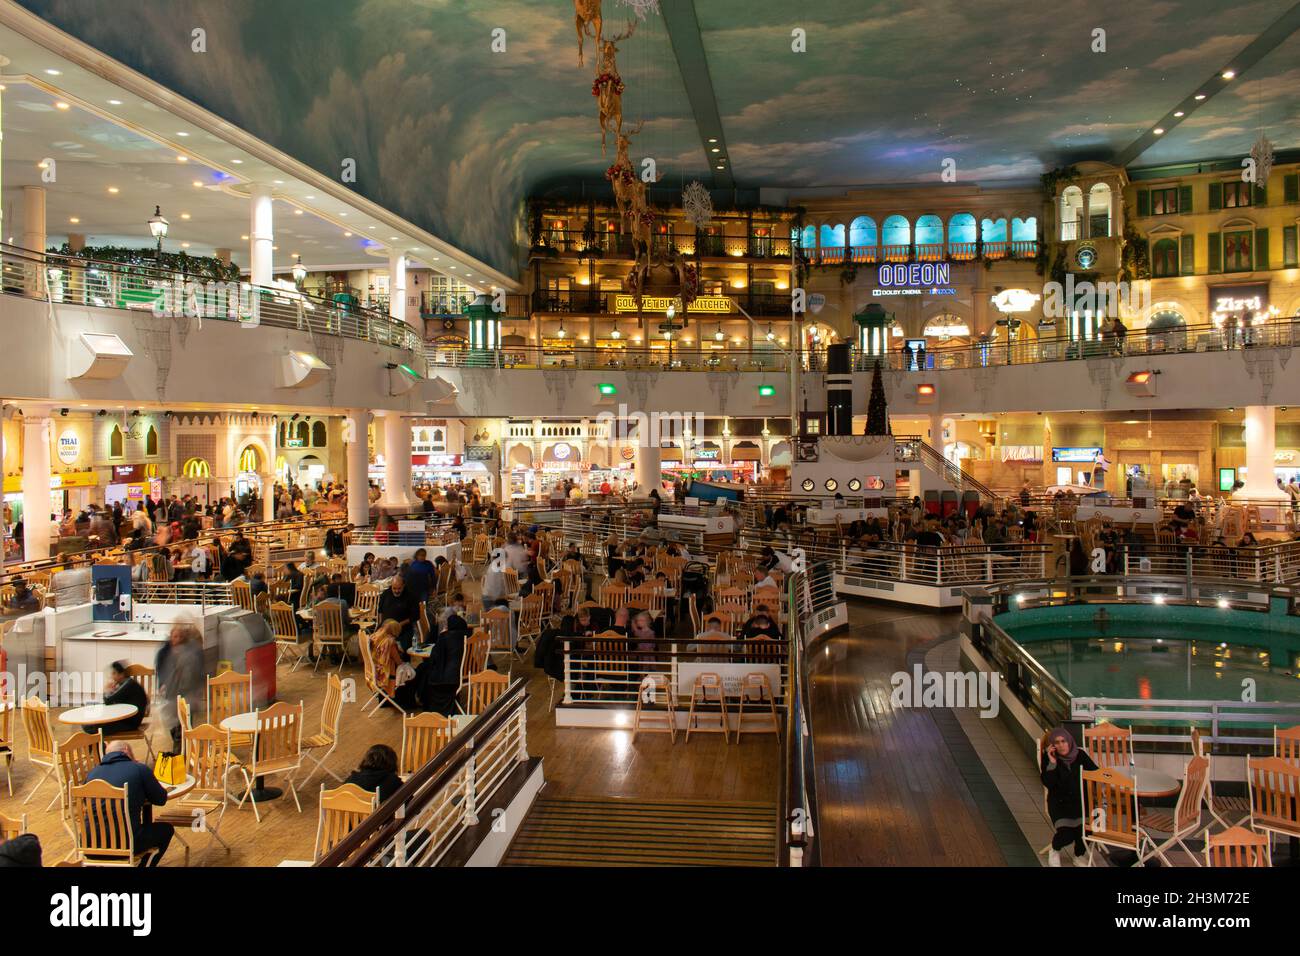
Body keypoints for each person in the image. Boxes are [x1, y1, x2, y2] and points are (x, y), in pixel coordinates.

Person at [85, 741, 174, 865]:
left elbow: (86, 803)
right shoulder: (139, 769)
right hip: (126, 843)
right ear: (126, 750)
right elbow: (160, 799)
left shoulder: (91, 775)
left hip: (90, 844)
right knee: (166, 830)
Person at [1039, 727, 1097, 866]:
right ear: (1052, 746)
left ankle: (1078, 855)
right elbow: (1048, 783)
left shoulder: (1080, 755)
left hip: (1081, 802)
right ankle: (1055, 849)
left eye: (1063, 741)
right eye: (1057, 742)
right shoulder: (1050, 759)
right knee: (1067, 834)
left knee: (1087, 832)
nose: (1061, 745)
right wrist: (1052, 762)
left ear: (1069, 741)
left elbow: (1095, 773)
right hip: (1060, 804)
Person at [155, 624, 205, 750]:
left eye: (180, 636)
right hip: (172, 693)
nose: (177, 639)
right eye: (175, 636)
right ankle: (181, 749)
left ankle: (181, 752)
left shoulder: (189, 653)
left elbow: (193, 674)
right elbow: (161, 670)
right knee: (174, 723)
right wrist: (162, 685)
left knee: (183, 723)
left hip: (186, 694)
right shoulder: (165, 651)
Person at [83, 661, 148, 735]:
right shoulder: (126, 683)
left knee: (88, 726)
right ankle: (103, 746)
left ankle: (103, 747)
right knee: (89, 724)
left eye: (114, 673)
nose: (112, 676)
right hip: (125, 720)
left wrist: (106, 690)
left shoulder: (128, 684)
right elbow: (112, 701)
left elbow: (108, 701)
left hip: (129, 723)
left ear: (121, 674)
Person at [377, 574, 420, 649]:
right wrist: (381, 624)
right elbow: (380, 610)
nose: (397, 591)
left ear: (403, 586)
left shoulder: (411, 596)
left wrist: (397, 625)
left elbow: (415, 615)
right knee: (376, 643)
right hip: (386, 627)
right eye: (394, 588)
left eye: (399, 588)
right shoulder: (385, 594)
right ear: (391, 586)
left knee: (405, 648)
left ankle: (403, 660)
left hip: (404, 628)